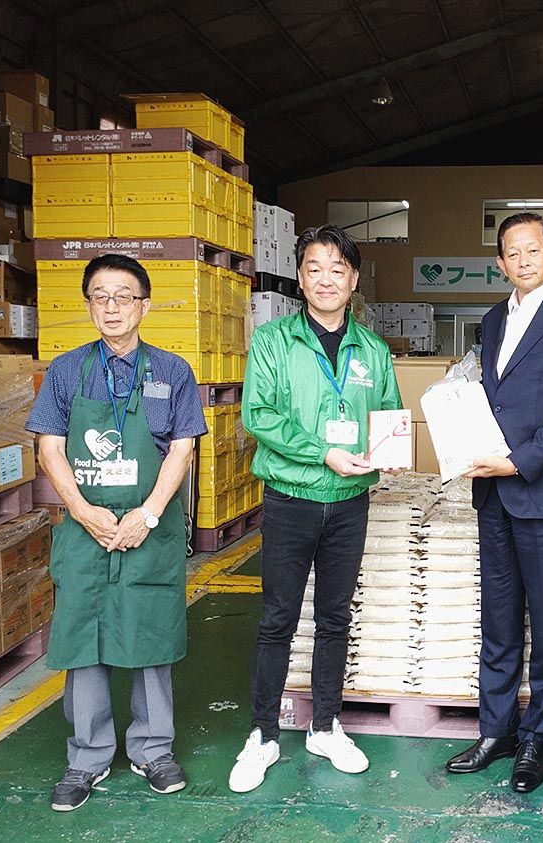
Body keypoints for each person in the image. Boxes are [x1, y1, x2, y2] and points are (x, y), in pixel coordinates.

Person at [27, 254, 207, 812]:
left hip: (149, 527)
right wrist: (82, 511)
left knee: (150, 634)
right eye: (100, 297)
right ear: (89, 306)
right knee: (83, 638)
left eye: (123, 296)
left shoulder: (172, 372)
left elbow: (183, 449)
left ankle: (154, 749)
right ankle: (87, 756)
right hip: (87, 528)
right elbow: (49, 448)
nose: (111, 307)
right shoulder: (66, 371)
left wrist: (147, 514)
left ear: (143, 306)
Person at [229, 224, 402, 793]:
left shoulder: (373, 349)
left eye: (337, 269)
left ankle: (325, 726)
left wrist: (389, 454)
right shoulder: (273, 341)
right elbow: (259, 415)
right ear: (300, 279)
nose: (326, 279)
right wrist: (322, 452)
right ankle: (262, 735)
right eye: (314, 268)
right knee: (277, 619)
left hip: (350, 503)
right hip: (290, 499)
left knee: (334, 618)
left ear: (354, 280)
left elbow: (388, 413)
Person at [444, 213, 543, 793]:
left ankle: (537, 737)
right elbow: (489, 397)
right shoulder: (492, 320)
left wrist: (515, 461)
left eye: (533, 250)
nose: (523, 260)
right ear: (500, 263)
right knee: (499, 618)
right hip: (494, 495)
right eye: (511, 253)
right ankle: (496, 731)